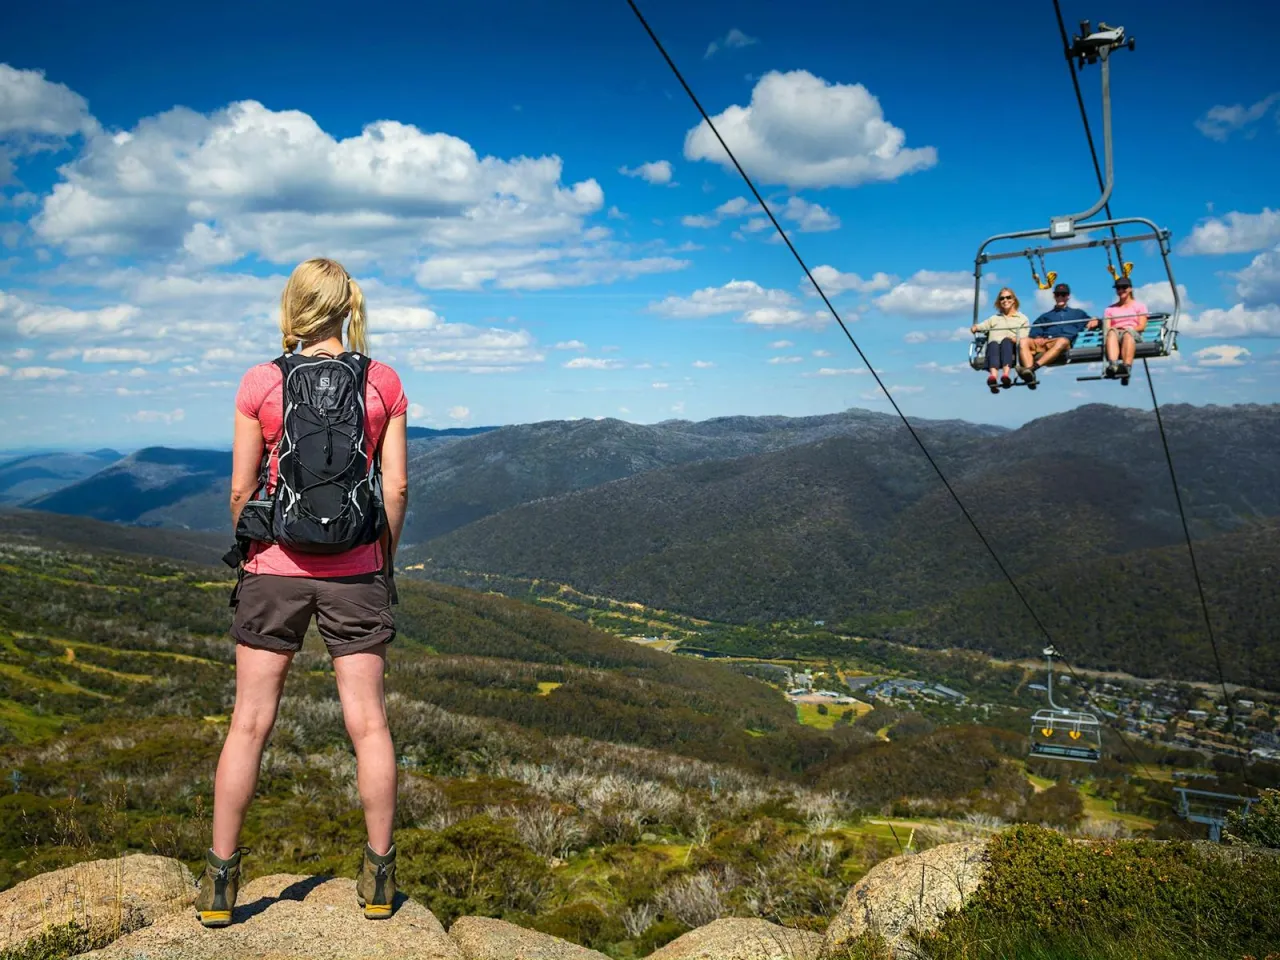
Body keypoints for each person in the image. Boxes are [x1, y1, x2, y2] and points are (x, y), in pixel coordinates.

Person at [196, 258, 409, 927]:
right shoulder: (383, 380)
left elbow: (239, 488)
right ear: (347, 307)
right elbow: (396, 489)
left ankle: (221, 887)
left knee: (250, 724)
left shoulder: (260, 380)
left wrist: (252, 549)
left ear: (293, 306)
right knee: (368, 724)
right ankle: (378, 881)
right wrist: (381, 558)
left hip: (272, 574)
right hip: (356, 574)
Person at [1017, 282, 1096, 382]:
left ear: (1068, 296)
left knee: (1062, 341)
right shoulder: (1046, 316)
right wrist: (1037, 337)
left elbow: (1093, 322)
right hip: (1046, 343)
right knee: (1024, 341)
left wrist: (1095, 319)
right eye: (1057, 295)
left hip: (1062, 344)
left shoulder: (1077, 314)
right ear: (1054, 296)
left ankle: (1032, 368)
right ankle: (1029, 375)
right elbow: (1035, 329)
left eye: (1063, 295)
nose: (1060, 297)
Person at [971, 287, 1030, 389]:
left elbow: (1025, 334)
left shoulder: (1022, 318)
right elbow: (983, 326)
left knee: (1006, 342)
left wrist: (1016, 339)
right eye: (1002, 298)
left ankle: (1005, 374)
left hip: (1010, 345)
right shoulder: (994, 318)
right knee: (993, 344)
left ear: (1014, 300)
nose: (1005, 300)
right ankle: (993, 376)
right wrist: (975, 327)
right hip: (994, 346)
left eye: (1008, 297)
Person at [1103, 276, 1148, 378]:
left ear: (1130, 289)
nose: (1121, 290)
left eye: (1124, 287)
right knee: (1111, 332)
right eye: (1118, 288)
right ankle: (1113, 365)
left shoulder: (1139, 306)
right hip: (1115, 334)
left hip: (1132, 332)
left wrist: (1128, 329)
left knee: (1128, 334)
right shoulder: (1109, 309)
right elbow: (1107, 326)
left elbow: (1142, 326)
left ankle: (1126, 366)